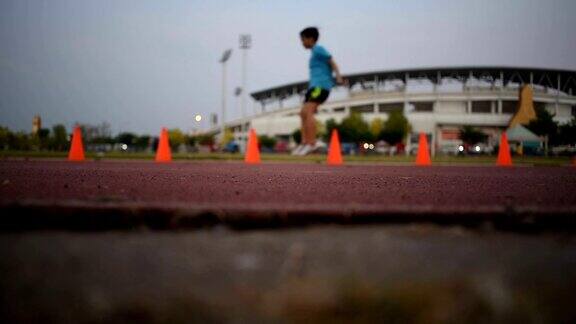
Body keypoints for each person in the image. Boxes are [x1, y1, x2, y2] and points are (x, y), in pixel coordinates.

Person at [292, 27, 344, 156]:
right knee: (303, 113)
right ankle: (304, 143)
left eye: (303, 40)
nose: (302, 43)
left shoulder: (319, 49)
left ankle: (311, 143)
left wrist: (338, 77)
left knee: (308, 111)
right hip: (314, 87)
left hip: (321, 87)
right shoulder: (314, 53)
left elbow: (332, 62)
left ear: (310, 39)